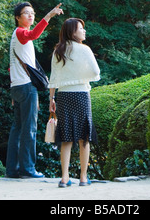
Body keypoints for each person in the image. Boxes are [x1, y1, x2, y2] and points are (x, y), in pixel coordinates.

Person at [6, 1, 63, 179]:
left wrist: (14, 88)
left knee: (18, 128)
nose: (31, 15)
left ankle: (12, 169)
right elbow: (34, 34)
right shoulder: (21, 33)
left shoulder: (15, 36)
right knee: (29, 128)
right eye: (26, 13)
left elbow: (11, 67)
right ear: (17, 18)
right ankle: (28, 169)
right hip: (26, 86)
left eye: (32, 13)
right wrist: (50, 15)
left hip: (16, 86)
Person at [49, 18, 100, 187]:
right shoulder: (85, 50)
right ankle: (83, 178)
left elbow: (53, 78)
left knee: (66, 137)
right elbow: (95, 72)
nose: (84, 31)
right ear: (72, 32)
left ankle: (64, 178)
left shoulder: (58, 51)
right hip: (81, 95)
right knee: (83, 137)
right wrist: (80, 76)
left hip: (63, 96)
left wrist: (51, 99)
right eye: (81, 28)